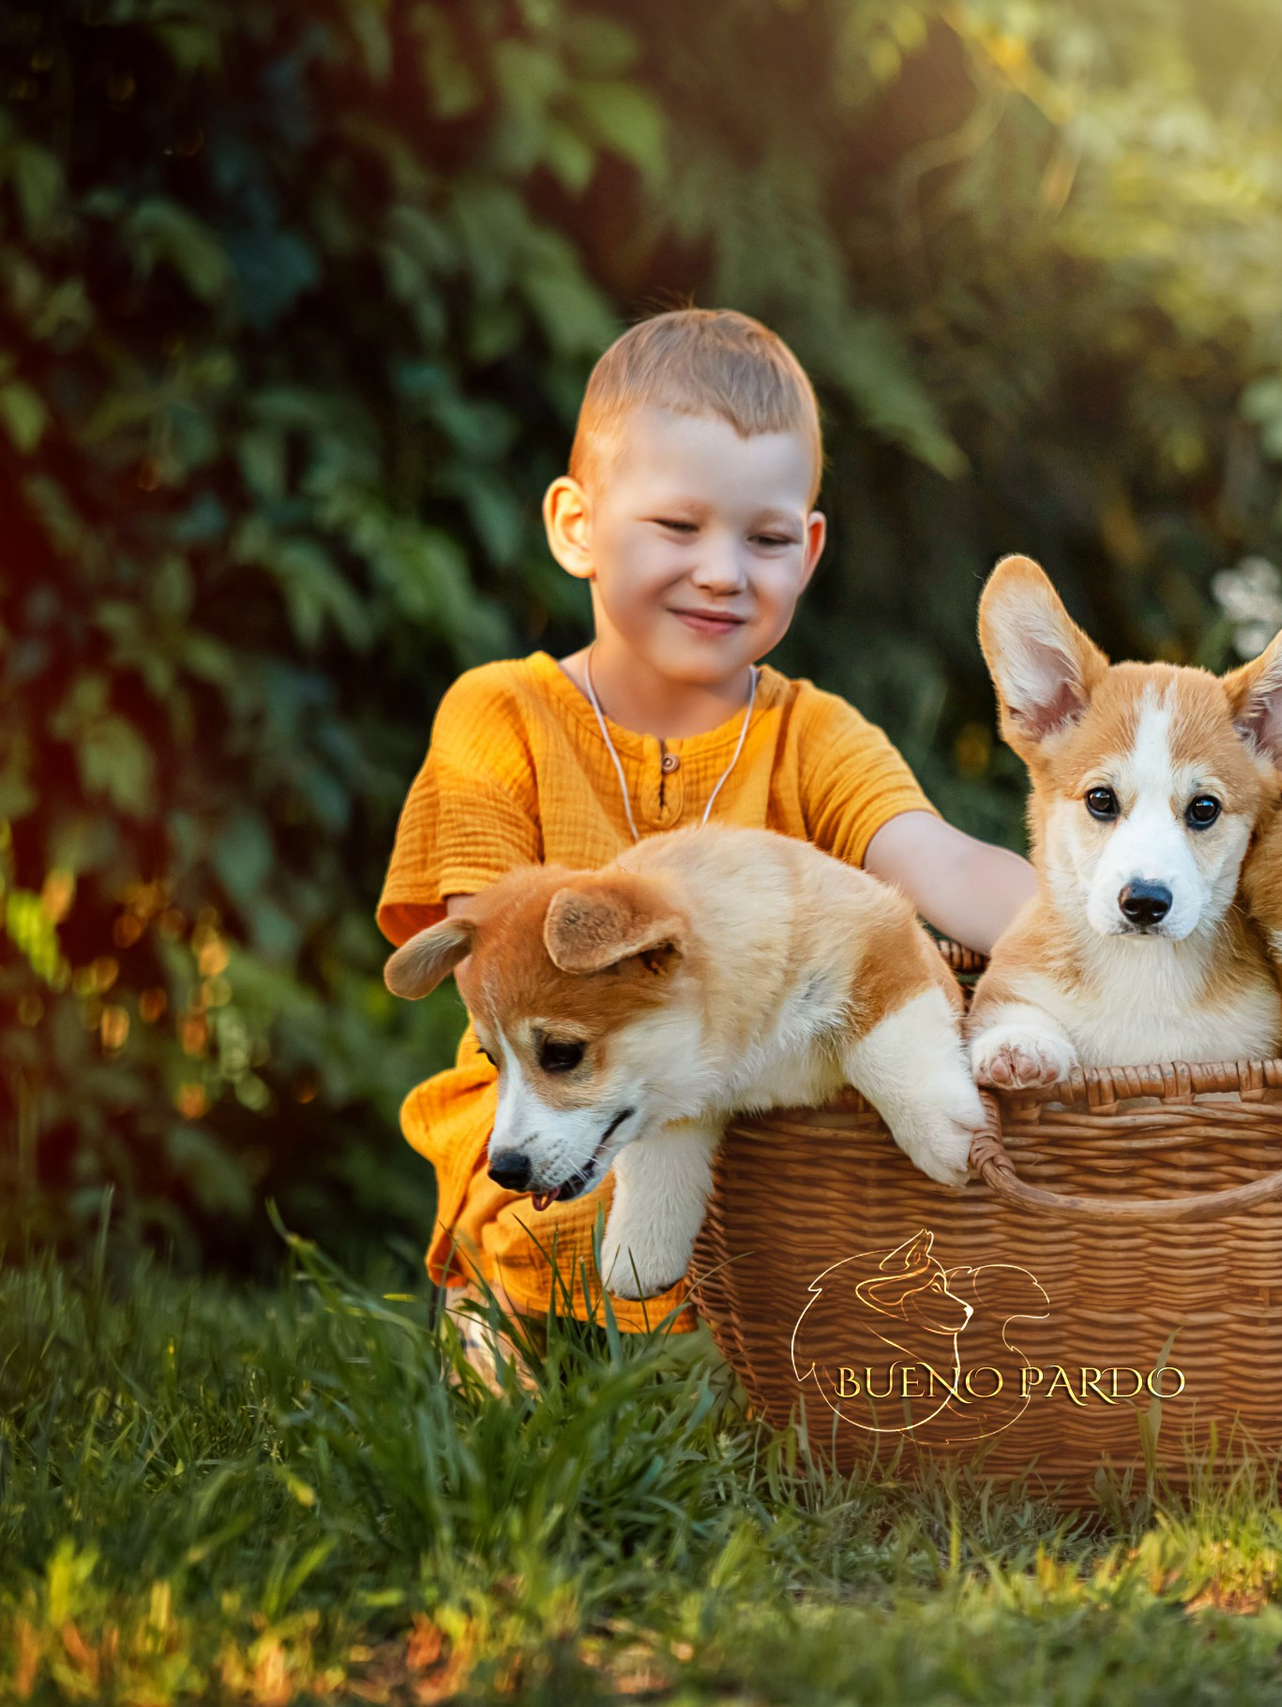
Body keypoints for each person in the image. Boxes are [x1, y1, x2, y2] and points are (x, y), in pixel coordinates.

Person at [376, 308, 1035, 1360]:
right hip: (557, 1135)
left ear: (808, 550)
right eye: (678, 528)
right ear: (577, 525)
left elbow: (940, 863)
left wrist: (1104, 936)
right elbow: (493, 940)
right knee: (558, 1222)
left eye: (765, 538)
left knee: (850, 1167)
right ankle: (509, 1330)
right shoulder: (500, 718)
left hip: (777, 1143)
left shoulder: (813, 734)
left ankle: (768, 1356)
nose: (724, 572)